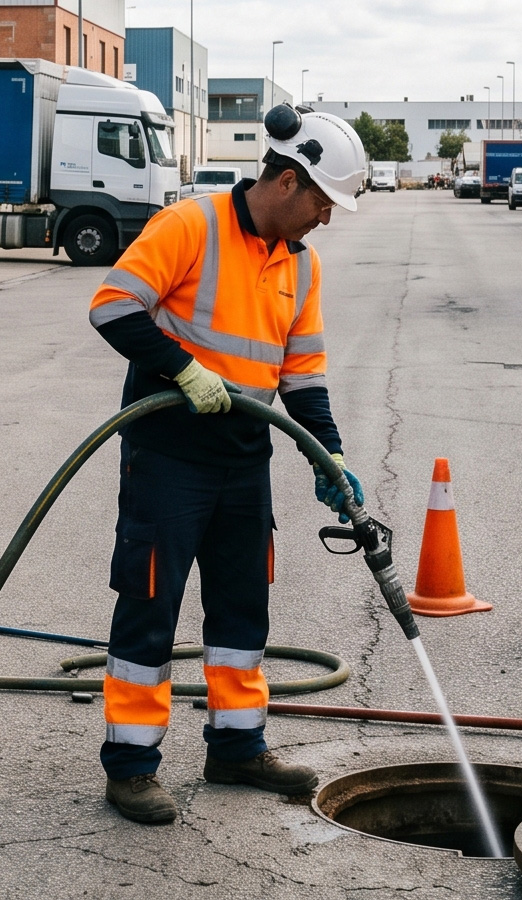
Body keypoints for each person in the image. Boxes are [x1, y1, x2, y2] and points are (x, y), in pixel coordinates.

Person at [88, 104, 369, 825]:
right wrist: (182, 371)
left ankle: (237, 747)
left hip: (245, 460)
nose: (325, 219)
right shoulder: (191, 226)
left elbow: (303, 374)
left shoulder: (299, 265)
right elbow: (113, 306)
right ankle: (131, 767)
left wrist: (327, 452)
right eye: (321, 202)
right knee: (150, 609)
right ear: (284, 181)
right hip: (169, 456)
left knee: (243, 609)